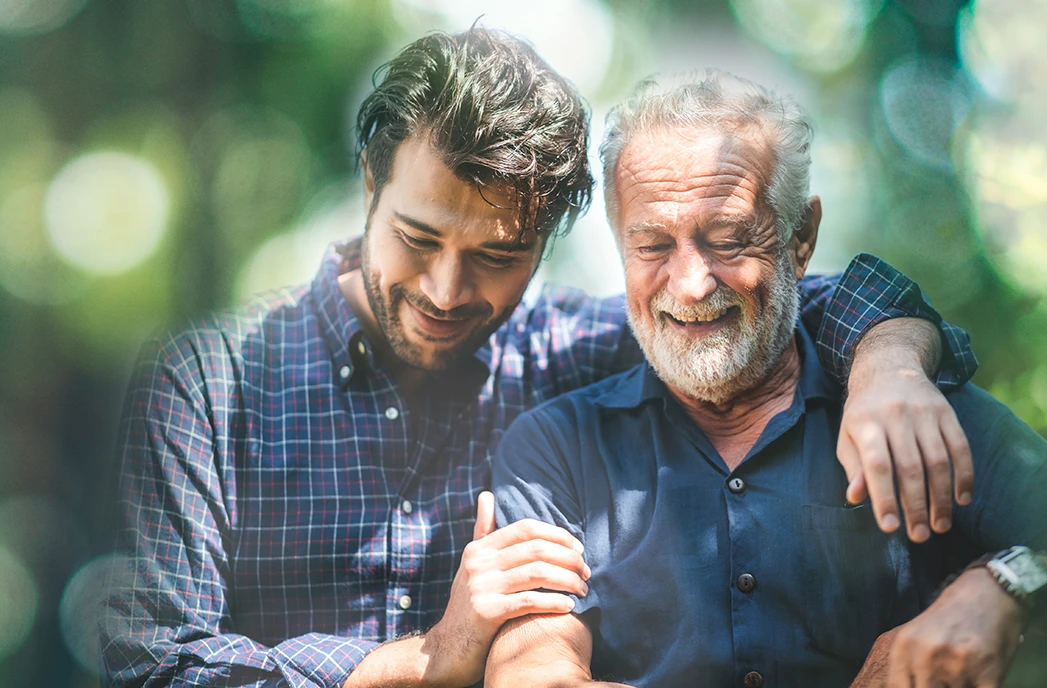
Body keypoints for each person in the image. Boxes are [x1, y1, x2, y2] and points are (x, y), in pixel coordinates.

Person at [102, 30, 979, 688]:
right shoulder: (206, 385)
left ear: (550, 243)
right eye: (417, 238)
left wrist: (889, 364)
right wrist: (419, 659)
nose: (447, 291)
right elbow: (152, 668)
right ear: (371, 186)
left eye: (497, 256)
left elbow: (767, 301)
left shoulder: (571, 349)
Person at [485, 71, 1047, 688]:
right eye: (653, 245)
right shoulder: (555, 448)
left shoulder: (913, 409)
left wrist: (1008, 582)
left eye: (728, 238)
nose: (689, 285)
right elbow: (532, 673)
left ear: (801, 238)